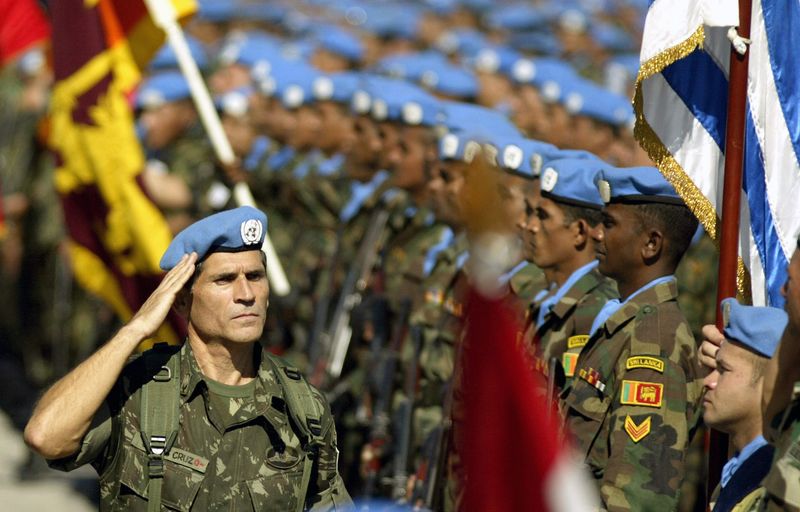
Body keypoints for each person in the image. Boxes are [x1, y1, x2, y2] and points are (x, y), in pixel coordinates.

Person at [24, 206, 353, 511]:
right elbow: (46, 437)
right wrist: (133, 331)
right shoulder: (139, 392)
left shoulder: (301, 406)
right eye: (224, 280)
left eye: (254, 276)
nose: (246, 294)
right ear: (181, 302)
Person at [559, 165, 704, 511]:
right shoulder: (627, 323)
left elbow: (639, 497)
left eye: (609, 224)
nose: (596, 234)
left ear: (651, 244)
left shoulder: (654, 342)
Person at [521, 157, 618, 388]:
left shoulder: (596, 308)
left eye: (543, 216)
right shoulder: (544, 298)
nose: (531, 226)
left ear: (579, 232)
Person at [703, 299, 785, 512]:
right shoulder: (740, 469)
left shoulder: (776, 484)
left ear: (769, 382)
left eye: (723, 370)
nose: (708, 382)